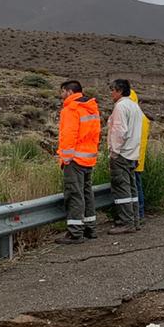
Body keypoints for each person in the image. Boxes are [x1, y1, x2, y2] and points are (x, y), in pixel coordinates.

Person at [56, 80, 101, 243]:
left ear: (69, 92)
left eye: (62, 92)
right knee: (87, 194)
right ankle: (91, 229)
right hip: (89, 158)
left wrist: (66, 159)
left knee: (74, 195)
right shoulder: (91, 107)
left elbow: (69, 135)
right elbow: (95, 134)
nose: (60, 95)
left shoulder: (71, 109)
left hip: (74, 159)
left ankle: (75, 233)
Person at [107, 79, 145, 235]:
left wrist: (114, 152)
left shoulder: (121, 107)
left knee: (122, 189)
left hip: (122, 154)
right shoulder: (135, 106)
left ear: (119, 91)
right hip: (132, 153)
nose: (111, 93)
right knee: (131, 188)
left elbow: (119, 131)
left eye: (112, 90)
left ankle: (126, 222)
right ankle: (134, 220)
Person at [129, 87, 151, 227]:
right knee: (137, 186)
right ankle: (139, 213)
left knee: (135, 187)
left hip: (134, 158)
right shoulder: (140, 115)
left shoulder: (136, 116)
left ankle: (139, 213)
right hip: (137, 157)